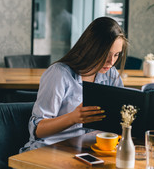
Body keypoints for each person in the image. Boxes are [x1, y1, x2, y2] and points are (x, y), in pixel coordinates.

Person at [21, 17, 128, 151]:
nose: (111, 62)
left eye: (117, 55)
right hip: (49, 149)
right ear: (91, 48)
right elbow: (38, 130)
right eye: (106, 54)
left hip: (85, 149)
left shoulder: (111, 75)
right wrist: (73, 118)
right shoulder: (59, 74)